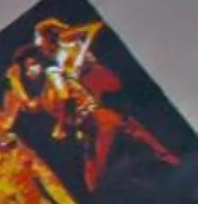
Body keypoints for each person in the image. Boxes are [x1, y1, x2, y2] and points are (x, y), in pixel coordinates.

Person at [12, 16, 179, 193]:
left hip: (96, 119)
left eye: (33, 65)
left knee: (109, 159)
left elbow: (65, 96)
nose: (30, 70)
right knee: (100, 169)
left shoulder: (53, 72)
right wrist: (14, 81)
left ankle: (165, 164)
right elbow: (29, 106)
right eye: (26, 69)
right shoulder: (44, 96)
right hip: (89, 127)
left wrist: (61, 126)